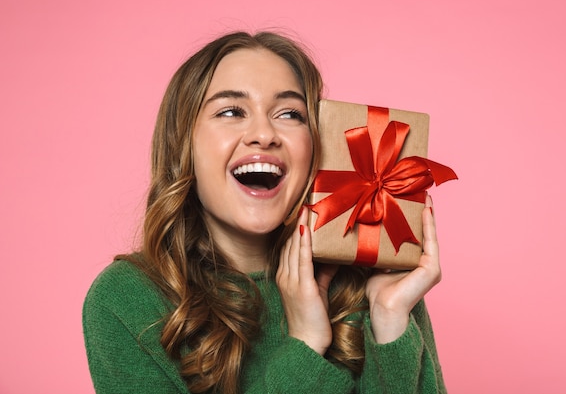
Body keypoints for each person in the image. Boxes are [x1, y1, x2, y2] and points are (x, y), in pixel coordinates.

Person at [83, 31, 447, 394]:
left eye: (290, 113)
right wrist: (304, 343)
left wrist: (389, 319)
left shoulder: (373, 281)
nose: (263, 134)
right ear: (184, 145)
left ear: (316, 145)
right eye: (231, 111)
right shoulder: (127, 299)